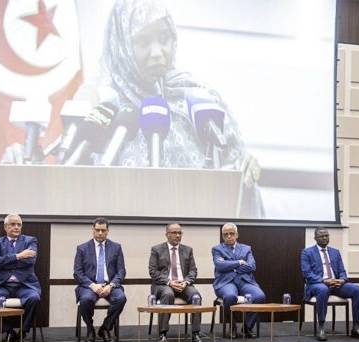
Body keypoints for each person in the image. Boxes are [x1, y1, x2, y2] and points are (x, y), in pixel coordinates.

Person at [84, 0, 264, 217]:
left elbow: (237, 174)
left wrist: (246, 170)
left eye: (164, 39)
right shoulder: (104, 105)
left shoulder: (198, 98)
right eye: (143, 41)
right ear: (121, 45)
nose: (157, 52)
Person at [301, 228, 359, 341]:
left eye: (326, 236)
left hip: (336, 284)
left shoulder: (335, 252)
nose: (324, 238)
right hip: (317, 284)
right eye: (321, 236)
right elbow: (307, 274)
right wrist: (324, 281)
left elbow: (342, 271)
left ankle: (356, 327)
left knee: (357, 289)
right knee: (323, 289)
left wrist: (341, 280)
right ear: (315, 238)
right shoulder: (307, 252)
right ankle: (321, 327)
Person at [0, 214, 41, 342]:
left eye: (19, 225)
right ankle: (9, 331)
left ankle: (23, 332)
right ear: (5, 227)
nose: (16, 227)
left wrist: (4, 262)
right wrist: (18, 256)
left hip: (24, 285)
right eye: (13, 224)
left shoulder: (30, 241)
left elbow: (30, 261)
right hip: (2, 285)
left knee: (34, 298)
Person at [74, 217, 127, 342]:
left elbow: (121, 271)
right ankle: (90, 329)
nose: (100, 233)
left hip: (110, 285)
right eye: (97, 230)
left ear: (108, 231)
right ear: (92, 230)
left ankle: (105, 328)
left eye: (103, 230)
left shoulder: (116, 247)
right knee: (86, 299)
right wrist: (93, 285)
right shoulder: (82, 248)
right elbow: (78, 273)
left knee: (121, 298)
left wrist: (111, 285)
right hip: (89, 286)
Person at [149, 223, 203, 342]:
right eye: (174, 233)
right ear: (167, 235)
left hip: (183, 284)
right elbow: (153, 271)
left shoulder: (188, 250)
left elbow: (193, 270)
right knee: (168, 294)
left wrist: (186, 282)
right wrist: (169, 282)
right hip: (163, 285)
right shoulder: (156, 249)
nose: (177, 235)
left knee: (196, 296)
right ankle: (163, 333)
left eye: (179, 233)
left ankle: (196, 333)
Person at [212, 223, 265, 338]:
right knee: (230, 296)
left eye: (232, 233)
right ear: (222, 236)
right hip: (226, 282)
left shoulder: (246, 249)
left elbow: (252, 266)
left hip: (244, 281)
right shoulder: (217, 249)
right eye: (226, 234)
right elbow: (220, 266)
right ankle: (232, 326)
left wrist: (230, 266)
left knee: (260, 296)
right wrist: (239, 262)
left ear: (237, 235)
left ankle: (247, 327)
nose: (229, 236)